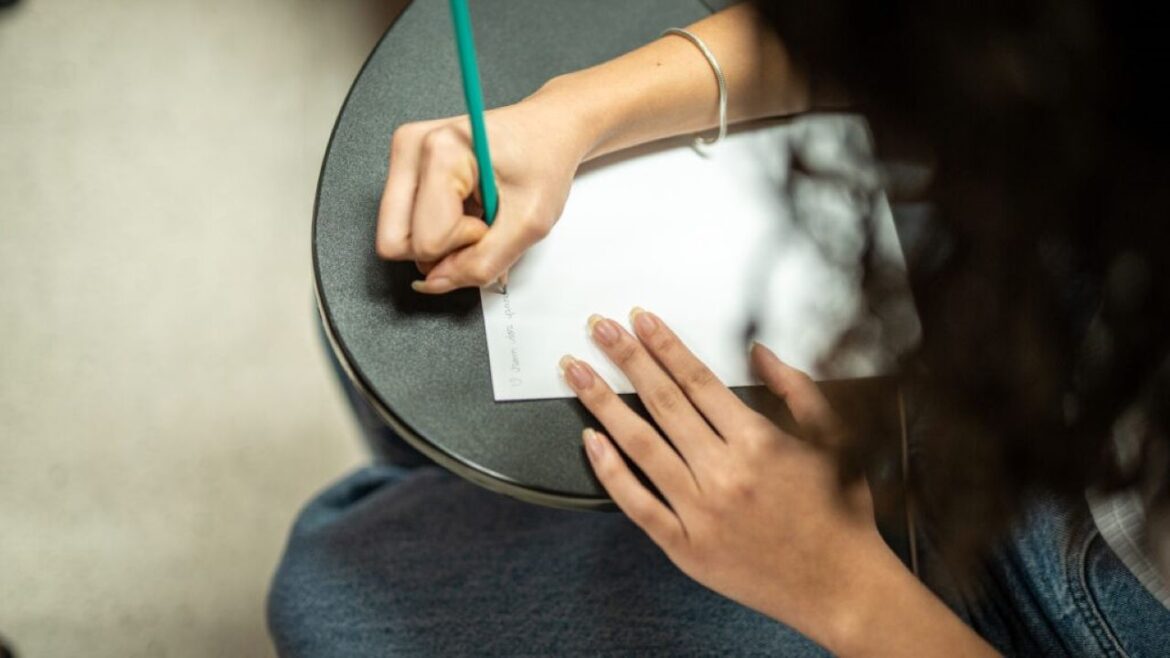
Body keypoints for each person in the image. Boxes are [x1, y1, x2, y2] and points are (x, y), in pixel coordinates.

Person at [268, 2, 1170, 655]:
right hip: (1057, 284)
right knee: (381, 298)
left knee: (333, 584)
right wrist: (576, 111)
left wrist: (844, 591)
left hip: (1060, 618)